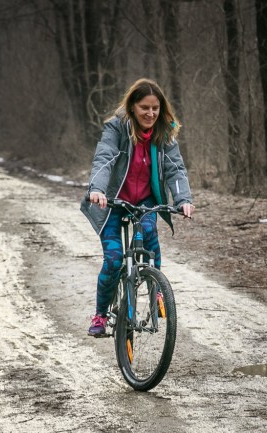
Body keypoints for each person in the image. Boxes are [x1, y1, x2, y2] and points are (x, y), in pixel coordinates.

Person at [80, 78, 194, 337]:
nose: (150, 113)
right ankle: (100, 314)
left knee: (149, 233)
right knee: (113, 259)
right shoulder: (116, 128)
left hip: (145, 201)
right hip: (112, 201)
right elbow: (105, 156)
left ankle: (156, 291)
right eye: (144, 107)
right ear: (132, 107)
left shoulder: (164, 132)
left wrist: (183, 200)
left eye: (155, 108)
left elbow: (175, 168)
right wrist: (97, 189)